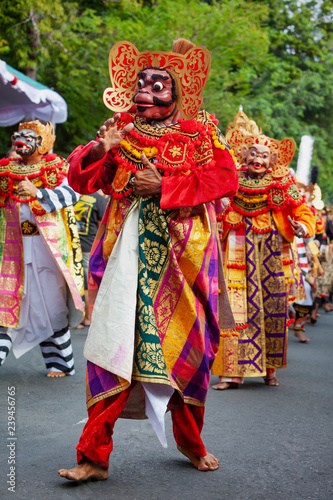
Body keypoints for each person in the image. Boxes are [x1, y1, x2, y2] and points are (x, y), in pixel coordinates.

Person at [58, 37, 238, 481]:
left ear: (178, 92)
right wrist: (101, 149)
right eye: (141, 82)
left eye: (159, 84)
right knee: (111, 349)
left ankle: (193, 444)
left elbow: (224, 176)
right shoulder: (120, 129)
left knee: (188, 354)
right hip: (124, 258)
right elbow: (81, 179)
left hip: (183, 260)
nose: (147, 89)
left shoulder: (200, 131)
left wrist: (166, 188)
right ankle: (92, 456)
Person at [211, 108, 316, 390]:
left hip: (271, 253)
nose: (258, 159)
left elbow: (304, 211)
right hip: (235, 250)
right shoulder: (229, 180)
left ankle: (269, 370)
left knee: (272, 309)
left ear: (273, 160)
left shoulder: (283, 183)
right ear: (243, 156)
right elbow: (212, 204)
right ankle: (230, 374)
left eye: (264, 155)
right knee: (232, 310)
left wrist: (303, 227)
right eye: (253, 154)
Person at [0, 120, 84, 377]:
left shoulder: (56, 166)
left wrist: (38, 193)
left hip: (48, 250)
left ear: (43, 142)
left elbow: (74, 194)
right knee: (6, 302)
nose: (20, 139)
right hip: (13, 250)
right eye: (18, 135)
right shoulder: (6, 171)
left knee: (51, 304)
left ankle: (60, 363)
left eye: (28, 136)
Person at [74, 190, 108, 327]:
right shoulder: (98, 200)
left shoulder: (74, 196)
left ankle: (76, 318)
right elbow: (103, 225)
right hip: (90, 247)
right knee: (88, 285)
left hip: (73, 246)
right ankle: (87, 318)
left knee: (75, 282)